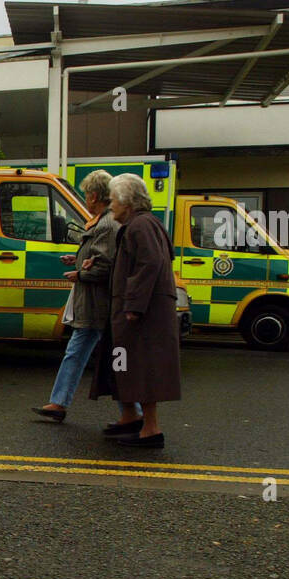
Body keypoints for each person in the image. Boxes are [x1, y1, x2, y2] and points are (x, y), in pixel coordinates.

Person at [33, 170, 140, 426]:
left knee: (113, 358)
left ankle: (134, 411)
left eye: (86, 195)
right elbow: (101, 258)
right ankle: (60, 403)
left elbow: (105, 266)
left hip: (98, 302)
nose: (85, 200)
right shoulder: (105, 223)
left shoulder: (106, 225)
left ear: (93, 196)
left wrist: (80, 274)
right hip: (97, 302)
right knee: (92, 354)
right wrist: (79, 259)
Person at [89, 173, 182, 447]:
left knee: (140, 368)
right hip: (126, 314)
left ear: (128, 202)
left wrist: (133, 306)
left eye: (115, 199)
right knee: (121, 364)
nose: (110, 205)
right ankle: (129, 416)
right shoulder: (140, 225)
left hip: (140, 317)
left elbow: (150, 263)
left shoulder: (141, 225)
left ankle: (150, 429)